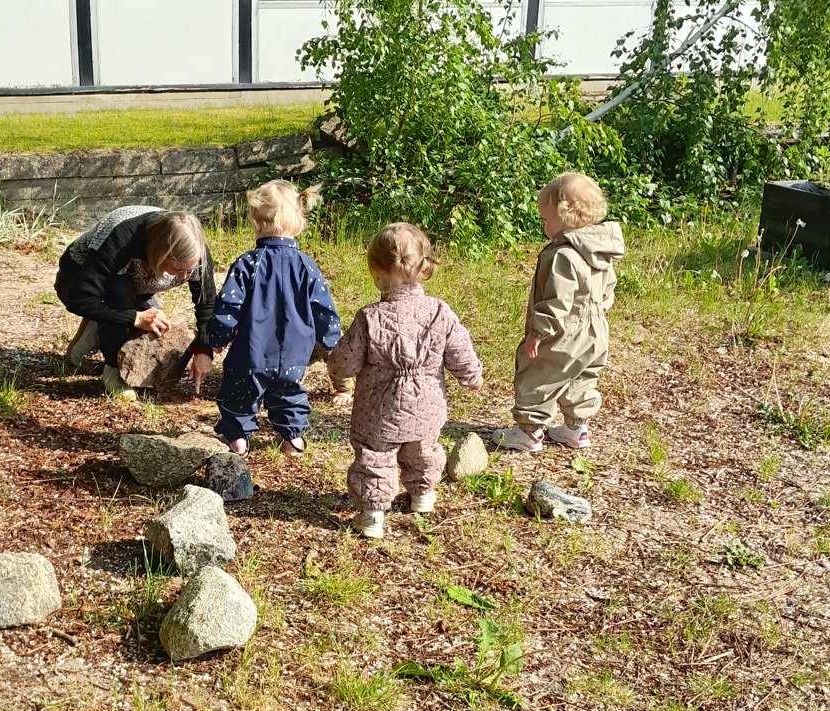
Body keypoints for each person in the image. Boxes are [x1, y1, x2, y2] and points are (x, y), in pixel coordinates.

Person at [327, 222, 483, 539]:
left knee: (375, 457)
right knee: (424, 451)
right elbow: (460, 350)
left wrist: (337, 372)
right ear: (424, 267)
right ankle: (422, 496)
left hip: (379, 413)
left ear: (377, 272)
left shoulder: (371, 317)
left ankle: (371, 515)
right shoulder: (440, 312)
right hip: (427, 409)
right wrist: (471, 377)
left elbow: (345, 360)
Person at [494, 172, 624, 453]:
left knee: (542, 373)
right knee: (582, 376)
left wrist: (538, 333)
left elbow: (557, 301)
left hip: (565, 331)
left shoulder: (563, 256)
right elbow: (608, 287)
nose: (543, 225)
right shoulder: (599, 250)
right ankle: (576, 429)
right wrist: (600, 312)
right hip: (596, 331)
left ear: (565, 216)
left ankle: (528, 432)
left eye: (545, 219)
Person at [209, 181, 343, 454]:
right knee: (289, 393)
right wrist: (333, 343)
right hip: (295, 355)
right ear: (298, 225)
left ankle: (238, 438)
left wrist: (217, 335)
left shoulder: (248, 263)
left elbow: (229, 305)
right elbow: (324, 310)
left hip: (250, 353)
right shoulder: (307, 266)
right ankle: (292, 438)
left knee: (239, 395)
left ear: (256, 225)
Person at [55, 205, 216, 401]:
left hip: (135, 285)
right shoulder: (122, 240)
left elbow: (206, 303)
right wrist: (135, 317)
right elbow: (78, 297)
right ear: (161, 253)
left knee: (154, 330)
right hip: (79, 279)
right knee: (119, 292)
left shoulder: (194, 251)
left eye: (189, 269)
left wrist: (204, 349)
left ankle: (97, 324)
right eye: (179, 269)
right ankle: (113, 371)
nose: (185, 276)